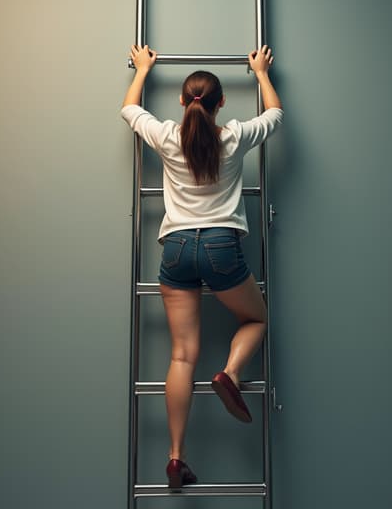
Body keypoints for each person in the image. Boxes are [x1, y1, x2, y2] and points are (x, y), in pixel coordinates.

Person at [121, 44, 283, 488]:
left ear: (181, 102)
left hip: (174, 248)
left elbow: (130, 110)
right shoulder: (233, 137)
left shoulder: (169, 137)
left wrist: (143, 68)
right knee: (256, 317)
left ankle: (175, 458)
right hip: (220, 245)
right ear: (221, 104)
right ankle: (230, 374)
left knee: (180, 354)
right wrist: (261, 72)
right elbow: (275, 115)